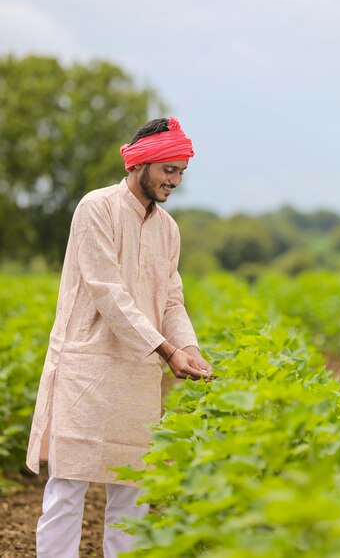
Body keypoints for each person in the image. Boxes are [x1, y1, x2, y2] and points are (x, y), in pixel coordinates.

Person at [26, 116, 213, 558]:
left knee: (132, 491)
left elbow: (170, 297)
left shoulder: (168, 227)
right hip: (85, 367)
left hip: (137, 370)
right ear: (139, 164)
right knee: (69, 486)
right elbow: (106, 291)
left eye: (181, 172)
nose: (176, 180)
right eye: (169, 169)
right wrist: (167, 350)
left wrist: (188, 348)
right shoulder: (97, 207)